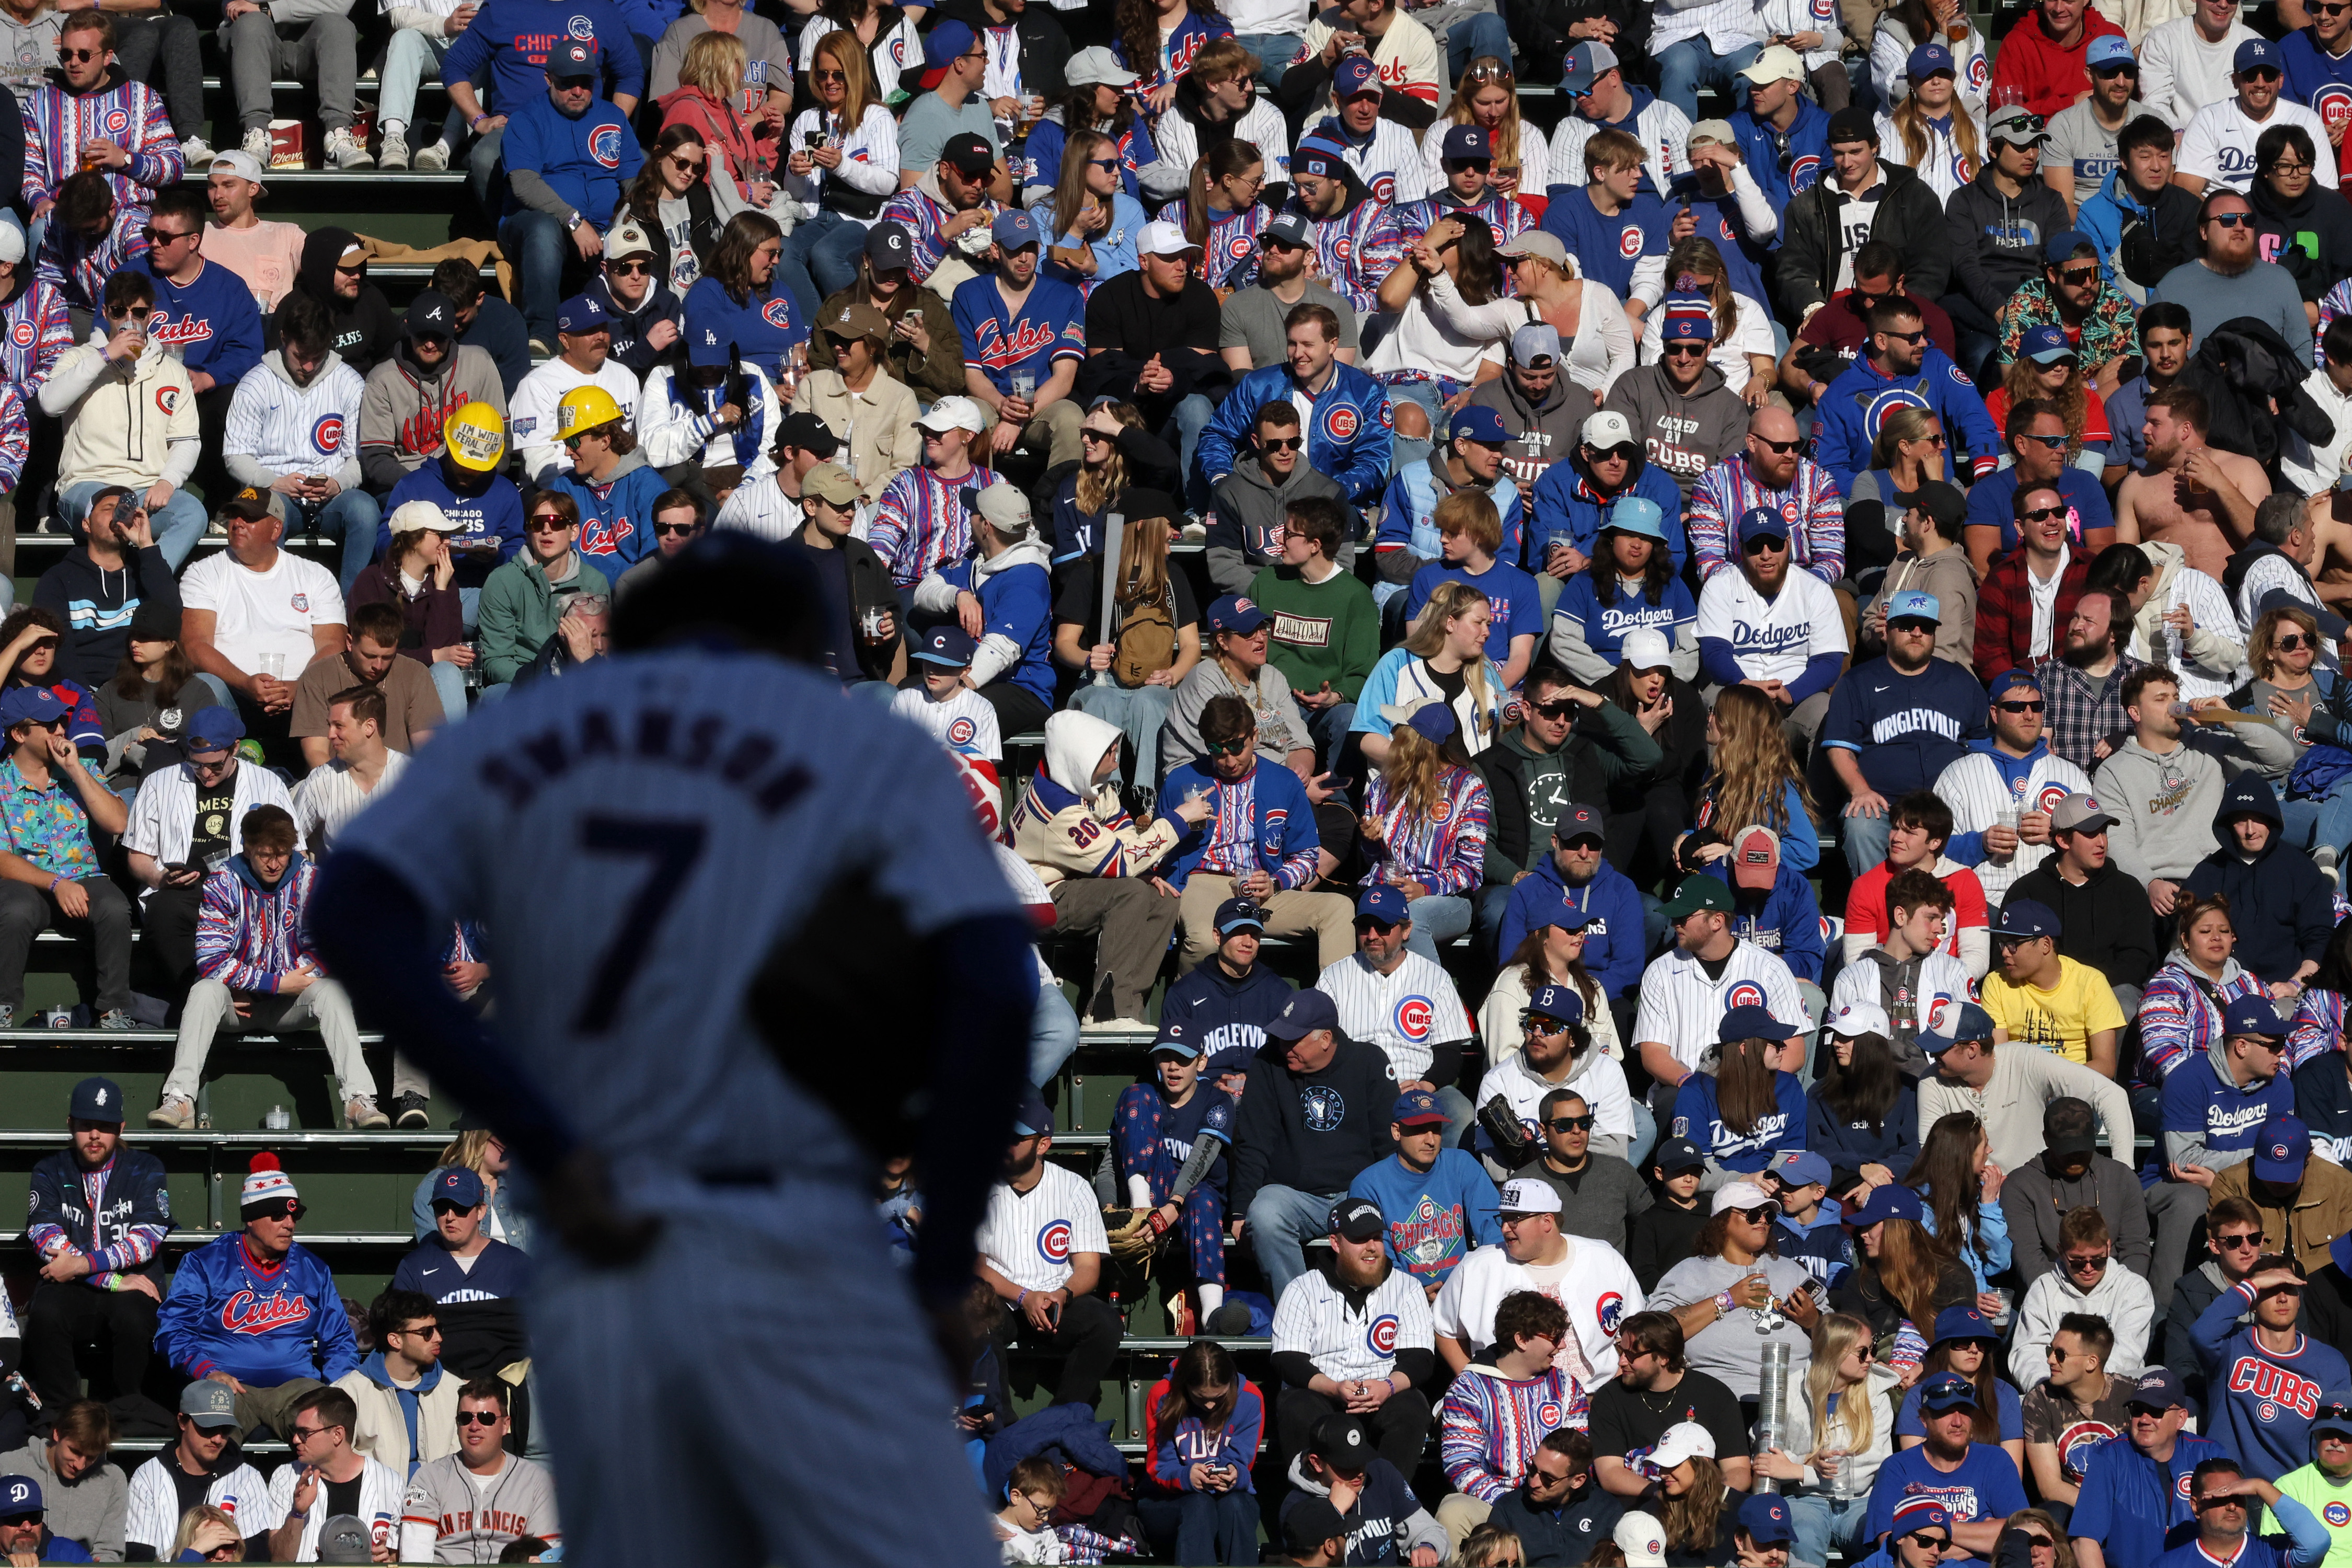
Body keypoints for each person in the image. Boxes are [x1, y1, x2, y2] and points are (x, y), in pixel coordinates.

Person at [157, 804, 385, 1131]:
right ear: (248, 848)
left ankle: (358, 1100)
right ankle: (180, 1099)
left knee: (333, 992)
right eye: (266, 854)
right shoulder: (222, 882)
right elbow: (210, 959)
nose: (276, 863)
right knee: (204, 991)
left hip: (292, 1004)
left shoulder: (312, 881)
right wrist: (272, 984)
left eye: (283, 853)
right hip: (238, 1005)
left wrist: (284, 986)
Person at [154, 1152, 361, 1440]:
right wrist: (207, 1372)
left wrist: (333, 1390)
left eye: (294, 1214)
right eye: (278, 1215)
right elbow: (174, 1331)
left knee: (328, 1430)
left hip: (295, 1390)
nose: (289, 1223)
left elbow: (340, 1341)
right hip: (228, 1387)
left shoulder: (313, 1269)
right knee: (209, 1434)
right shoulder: (206, 1264)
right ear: (250, 1218)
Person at [39, 271, 203, 570]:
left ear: (151, 314)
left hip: (145, 489)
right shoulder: (80, 358)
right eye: (119, 311)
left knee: (193, 513)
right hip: (85, 486)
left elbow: (186, 440)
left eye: (138, 312)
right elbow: (50, 403)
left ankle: (148, 581)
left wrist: (168, 481)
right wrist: (105, 355)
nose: (130, 321)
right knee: (108, 517)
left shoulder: (172, 371)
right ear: (106, 313)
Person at [21, 1077, 165, 1418]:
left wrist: (82, 1266)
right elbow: (46, 1238)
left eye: (105, 1126)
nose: (95, 1135)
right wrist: (111, 1280)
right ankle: (63, 1414)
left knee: (135, 1316)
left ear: (121, 1128)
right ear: (71, 1125)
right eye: (87, 1125)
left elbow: (146, 1239)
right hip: (77, 1287)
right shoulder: (50, 1169)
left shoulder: (146, 1168)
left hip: (132, 1284)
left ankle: (127, 1410)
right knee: (47, 1312)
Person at [1266, 1194, 1437, 1476]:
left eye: (1377, 1238)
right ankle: (1317, 1503)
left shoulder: (1407, 1287)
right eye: (1360, 1239)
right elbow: (1287, 1359)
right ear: (1336, 1243)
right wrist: (1334, 1389)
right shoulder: (1302, 1288)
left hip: (1383, 1393)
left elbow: (1420, 1359)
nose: (1371, 1247)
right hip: (1324, 1393)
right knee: (1294, 1404)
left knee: (1412, 1406)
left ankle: (1387, 1506)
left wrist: (1388, 1388)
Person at [223, 292, 377, 599]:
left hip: (332, 497)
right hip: (276, 490)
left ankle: (352, 615)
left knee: (365, 510)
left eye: (316, 357)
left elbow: (359, 457)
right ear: (283, 339)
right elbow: (235, 455)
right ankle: (266, 607)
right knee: (261, 512)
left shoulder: (349, 383)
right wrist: (274, 482)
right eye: (299, 355)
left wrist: (338, 483)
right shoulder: (257, 382)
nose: (307, 365)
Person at [980, 1087, 1124, 1414]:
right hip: (1002, 1298)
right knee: (973, 1313)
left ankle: (1061, 1419)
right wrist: (1023, 1296)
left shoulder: (1074, 1187)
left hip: (1055, 1298)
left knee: (1105, 1323)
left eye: (1017, 1137)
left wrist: (1061, 1295)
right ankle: (1002, 1427)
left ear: (1043, 1144)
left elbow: (1088, 1268)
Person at [1430, 1176, 1643, 1393]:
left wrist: (1615, 1390)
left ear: (1547, 1221)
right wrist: (1475, 1385)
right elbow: (1445, 1329)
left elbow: (1638, 1327)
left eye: (1515, 1220)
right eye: (1502, 1218)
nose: (1504, 1228)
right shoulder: (1477, 1266)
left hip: (1596, 1395)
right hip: (1507, 1397)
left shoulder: (1604, 1258)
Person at [1433, 1289, 1589, 1553]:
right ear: (1522, 1340)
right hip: (1495, 1502)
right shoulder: (1469, 1388)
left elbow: (1579, 1456)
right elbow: (1461, 1464)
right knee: (1453, 1512)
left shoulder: (1567, 1387)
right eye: (1555, 1337)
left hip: (1559, 1501)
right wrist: (1512, 1505)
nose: (1562, 1346)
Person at [1777, 107, 1954, 330]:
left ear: (1875, 146)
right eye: (1838, 153)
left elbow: (1932, 268)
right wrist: (1814, 309)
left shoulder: (1913, 196)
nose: (1847, 162)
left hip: (1895, 316)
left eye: (1855, 151)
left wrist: (1898, 310)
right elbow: (1793, 270)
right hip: (1832, 314)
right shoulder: (1806, 205)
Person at [1648, 1179, 1825, 1400]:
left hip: (1795, 1394)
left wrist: (1814, 1321)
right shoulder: (1691, 1271)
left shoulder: (1792, 1271)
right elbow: (1656, 1332)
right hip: (1722, 1397)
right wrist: (1729, 1299)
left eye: (1768, 1215)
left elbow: (1838, 1340)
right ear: (1722, 1221)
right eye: (1752, 1214)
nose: (1762, 1220)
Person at [1917, 999, 2136, 1174]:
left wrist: (2124, 1175)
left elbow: (2111, 1094)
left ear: (1972, 1049)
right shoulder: (1931, 1081)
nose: (1932, 1055)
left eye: (1941, 1049)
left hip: (2037, 1193)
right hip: (1970, 1198)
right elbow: (1931, 1155)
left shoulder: (2024, 1059)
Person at [1811, 300, 1999, 501]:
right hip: (1876, 509)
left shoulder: (1936, 365)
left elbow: (1974, 415)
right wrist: (1885, 497)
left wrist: (1985, 472)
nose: (1924, 343)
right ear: (1881, 341)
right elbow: (1828, 471)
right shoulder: (1839, 395)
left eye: (1923, 332)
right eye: (1913, 338)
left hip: (1943, 497)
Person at [1694, 505, 1849, 747]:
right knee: (1720, 708)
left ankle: (1814, 788)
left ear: (1788, 544)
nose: (1766, 555)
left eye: (1775, 544)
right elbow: (1715, 654)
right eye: (1756, 546)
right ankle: (1721, 786)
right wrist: (1746, 687)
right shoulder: (1720, 586)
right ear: (1741, 549)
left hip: (1794, 702)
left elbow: (1829, 662)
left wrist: (1791, 693)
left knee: (1826, 713)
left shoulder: (1815, 590)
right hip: (1737, 693)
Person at [1942, 106, 2075, 384]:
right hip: (1983, 307)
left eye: (2035, 145)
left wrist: (2026, 314)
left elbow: (2058, 265)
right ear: (1993, 148)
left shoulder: (2051, 203)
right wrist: (2001, 310)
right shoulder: (1964, 200)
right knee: (1983, 355)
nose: (2031, 154)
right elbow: (1965, 265)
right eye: (2020, 146)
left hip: (2035, 306)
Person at [1756, 1310, 1899, 1564]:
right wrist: (1805, 1462)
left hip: (1860, 1501)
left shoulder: (1877, 1396)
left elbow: (1873, 1464)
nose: (1871, 1358)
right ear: (1836, 1351)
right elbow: (1766, 1449)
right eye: (1863, 1352)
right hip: (1804, 1500)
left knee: (1885, 1540)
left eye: (1872, 1349)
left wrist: (1801, 1471)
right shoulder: (1788, 1389)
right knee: (1805, 1538)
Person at [2092, 668, 2234, 914]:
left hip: (2218, 877)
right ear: (2135, 713)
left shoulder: (2208, 744)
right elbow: (2117, 840)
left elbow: (2279, 758)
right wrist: (2149, 882)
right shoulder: (2113, 771)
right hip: (2160, 888)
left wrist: (2230, 719)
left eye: (2175, 696)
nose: (2174, 705)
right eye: (2161, 699)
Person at [2183, 779, 2334, 997]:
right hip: (2216, 990)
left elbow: (2320, 938)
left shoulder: (2301, 870)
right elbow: (2186, 940)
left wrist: (2294, 985)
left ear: (2273, 819)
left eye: (2259, 819)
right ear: (2228, 824)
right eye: (2241, 821)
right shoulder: (2208, 873)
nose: (2250, 830)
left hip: (2283, 991)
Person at [390, 1167, 533, 1396]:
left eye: (460, 1208)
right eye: (441, 1208)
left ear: (481, 1211)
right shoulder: (414, 1267)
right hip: (433, 1391)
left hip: (506, 1393)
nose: (450, 1217)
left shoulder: (516, 1265)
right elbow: (403, 1344)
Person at [1863, 1371, 2031, 1564]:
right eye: (1946, 1412)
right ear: (1924, 1419)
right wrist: (1987, 1538)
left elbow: (2022, 1533)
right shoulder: (1898, 1468)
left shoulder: (1996, 1460)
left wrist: (1926, 1530)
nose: (1958, 1422)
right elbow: (1893, 1549)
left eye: (1965, 1411)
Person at [2068, 1367, 2227, 1568]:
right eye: (2137, 1410)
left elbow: (2232, 1534)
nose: (2144, 1419)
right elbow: (2084, 1540)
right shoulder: (2110, 1457)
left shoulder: (2211, 1456)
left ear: (2181, 1418)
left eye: (2156, 1410)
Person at [1597, 291, 1748, 498]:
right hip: (1638, 498)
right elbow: (1620, 460)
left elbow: (1727, 479)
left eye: (1695, 350)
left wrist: (1699, 511)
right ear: (1664, 347)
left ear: (1709, 347)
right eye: (1675, 348)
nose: (1684, 358)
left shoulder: (1730, 407)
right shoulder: (1634, 385)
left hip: (1701, 506)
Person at [2115, 386, 2273, 582]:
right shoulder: (2135, 486)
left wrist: (2222, 485)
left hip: (2230, 593)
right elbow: (2121, 564)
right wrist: (2144, 559)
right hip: (2165, 600)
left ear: (2185, 430)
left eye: (2155, 423)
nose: (2145, 430)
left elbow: (2266, 542)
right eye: (2147, 422)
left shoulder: (2243, 469)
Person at [358, 293, 508, 499]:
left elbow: (502, 438)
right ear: (409, 329)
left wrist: (474, 479)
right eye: (422, 335)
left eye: (438, 337)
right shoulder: (382, 379)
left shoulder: (479, 364)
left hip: (472, 480)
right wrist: (424, 488)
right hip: (409, 487)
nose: (430, 344)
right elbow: (377, 458)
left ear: (453, 331)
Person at [396, 1380, 560, 1564]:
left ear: (506, 1425)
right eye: (465, 1418)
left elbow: (548, 1557)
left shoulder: (536, 1481)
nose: (474, 1426)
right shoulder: (429, 1478)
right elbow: (415, 1560)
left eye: (486, 1418)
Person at [2152, 188, 2316, 362]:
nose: (2240, 227)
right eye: (2228, 220)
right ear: (2203, 231)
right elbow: (2152, 355)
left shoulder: (2281, 281)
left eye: (2248, 220)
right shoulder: (2174, 286)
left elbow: (2302, 350)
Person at [2002, 1097, 2154, 1285]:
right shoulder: (2020, 1185)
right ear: (2047, 1139)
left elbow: (2135, 1247)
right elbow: (2028, 1257)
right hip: (2050, 1294)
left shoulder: (2122, 1178)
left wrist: (2123, 1293)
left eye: (2082, 1148)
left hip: (2116, 1291)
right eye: (2066, 1150)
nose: (2075, 1157)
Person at [476, 493, 611, 696]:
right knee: (496, 695)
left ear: (574, 532)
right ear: (529, 531)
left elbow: (601, 648)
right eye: (538, 524)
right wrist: (543, 684)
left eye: (557, 523)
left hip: (577, 679)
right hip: (522, 683)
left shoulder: (595, 583)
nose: (546, 530)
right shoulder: (502, 581)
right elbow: (496, 661)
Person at [2011, 1206, 2157, 1390]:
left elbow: (2127, 1354)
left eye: (2098, 1260)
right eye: (2078, 1262)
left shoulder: (2133, 1288)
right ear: (2061, 1252)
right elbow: (2028, 1351)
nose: (2089, 1269)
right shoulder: (2043, 1289)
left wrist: (2087, 1389)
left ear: (2108, 1247)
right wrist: (2047, 1390)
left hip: (2111, 1392)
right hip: (2053, 1393)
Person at [123, 1382, 271, 1563]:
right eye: (208, 1427)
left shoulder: (248, 1478)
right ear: (182, 1422)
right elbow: (139, 1560)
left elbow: (255, 1559)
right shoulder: (148, 1476)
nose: (218, 1439)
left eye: (225, 1429)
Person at [1981, 899, 2126, 1075]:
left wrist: (2055, 1083)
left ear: (2046, 944)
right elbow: (1999, 1059)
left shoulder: (2091, 982)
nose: (2004, 952)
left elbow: (2105, 1065)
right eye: (2002, 944)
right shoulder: (1996, 983)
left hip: (2076, 1087)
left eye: (2013, 944)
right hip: (2020, 1086)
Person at [259, 1387, 404, 1563]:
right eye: (295, 1432)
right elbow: (279, 1561)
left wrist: (388, 1560)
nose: (296, 1439)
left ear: (337, 1435)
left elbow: (398, 1555)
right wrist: (298, 1514)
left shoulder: (390, 1483)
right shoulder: (285, 1477)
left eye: (305, 1433)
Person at [330, 1290, 458, 1478]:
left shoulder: (455, 1390)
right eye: (427, 1332)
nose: (438, 1338)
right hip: (376, 1501)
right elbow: (336, 1464)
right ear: (395, 1340)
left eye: (439, 1329)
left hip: (441, 1500)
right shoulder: (348, 1393)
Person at [2022, 1313, 2132, 1524]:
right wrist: (2105, 1503)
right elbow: (2050, 1488)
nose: (2050, 1360)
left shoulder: (2129, 1396)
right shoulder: (2040, 1401)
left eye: (2061, 1354)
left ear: (2091, 1362)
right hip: (2074, 1508)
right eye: (2050, 1350)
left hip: (2125, 1505)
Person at [1808, 1004, 1922, 1205]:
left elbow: (1914, 1151)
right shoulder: (1819, 1093)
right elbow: (1821, 1152)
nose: (1836, 1044)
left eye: (1846, 1037)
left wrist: (1874, 1183)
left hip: (1897, 1189)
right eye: (1836, 1036)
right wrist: (1862, 1169)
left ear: (1872, 1043)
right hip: (1840, 1192)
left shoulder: (1908, 1089)